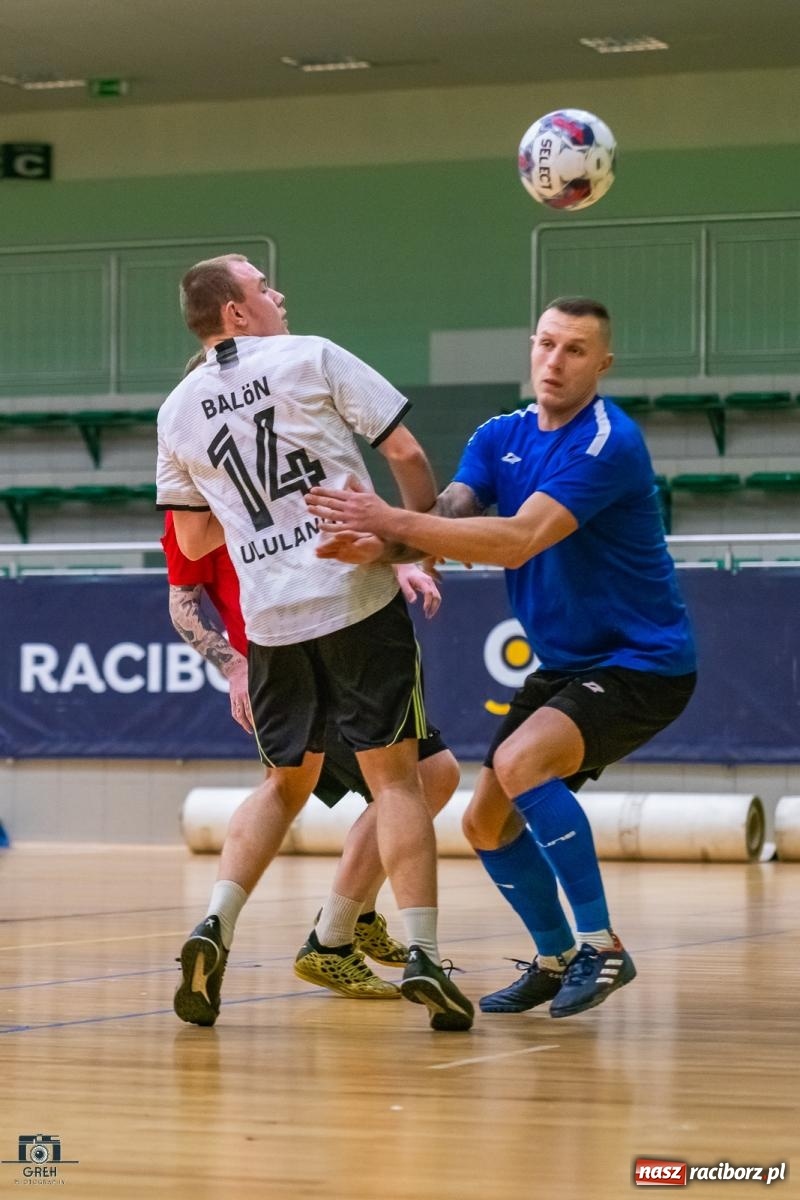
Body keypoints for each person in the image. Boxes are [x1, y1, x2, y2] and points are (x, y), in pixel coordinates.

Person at [305, 296, 698, 1019]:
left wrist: (391, 520)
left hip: (642, 662)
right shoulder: (500, 434)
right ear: (531, 347)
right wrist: (386, 546)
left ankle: (602, 948)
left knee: (520, 765)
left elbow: (518, 538)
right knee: (484, 823)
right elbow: (451, 517)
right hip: (564, 662)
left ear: (602, 363)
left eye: (575, 350)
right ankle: (554, 959)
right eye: (547, 344)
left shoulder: (608, 442)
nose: (555, 361)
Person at [156, 253, 473, 1032]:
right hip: (352, 596)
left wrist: (253, 516)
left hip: (267, 623)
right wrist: (413, 544)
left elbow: (194, 539)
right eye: (263, 285)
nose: (278, 292)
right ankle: (426, 953)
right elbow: (405, 454)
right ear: (235, 311)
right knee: (400, 782)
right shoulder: (312, 355)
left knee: (282, 786)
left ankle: (215, 927)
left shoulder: (176, 410)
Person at [162, 510, 460, 1015]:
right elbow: (375, 473)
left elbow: (186, 587)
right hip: (342, 626)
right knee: (414, 780)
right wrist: (396, 556)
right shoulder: (280, 446)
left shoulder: (195, 482)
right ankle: (339, 935)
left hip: (271, 648)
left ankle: (218, 923)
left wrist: (237, 668)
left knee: (284, 786)